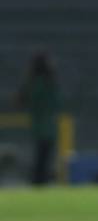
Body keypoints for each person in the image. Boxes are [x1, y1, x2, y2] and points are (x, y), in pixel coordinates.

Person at [15, 52, 61, 185]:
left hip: (41, 126)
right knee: (43, 158)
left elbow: (21, 101)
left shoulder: (35, 82)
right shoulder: (46, 82)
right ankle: (40, 180)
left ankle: (40, 180)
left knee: (41, 157)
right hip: (46, 127)